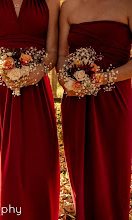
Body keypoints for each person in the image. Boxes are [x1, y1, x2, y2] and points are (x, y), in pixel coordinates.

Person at [0, 0, 60, 219]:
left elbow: (52, 52)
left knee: (38, 164)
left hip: (35, 89)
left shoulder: (51, 2)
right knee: (3, 163)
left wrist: (38, 71)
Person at [58, 0, 132, 219]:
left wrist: (104, 78)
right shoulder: (68, 6)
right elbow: (62, 55)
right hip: (76, 99)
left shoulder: (127, 4)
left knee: (113, 170)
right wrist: (65, 80)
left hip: (115, 100)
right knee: (81, 173)